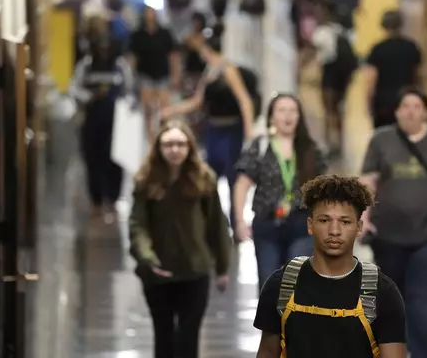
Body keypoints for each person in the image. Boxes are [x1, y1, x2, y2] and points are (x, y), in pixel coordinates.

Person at [360, 87, 427, 358]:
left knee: (420, 296)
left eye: (417, 106)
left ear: (426, 111)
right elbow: (368, 180)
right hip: (389, 234)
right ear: (396, 111)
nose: (410, 112)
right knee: (393, 297)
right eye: (405, 106)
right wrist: (364, 216)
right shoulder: (381, 140)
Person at [254, 174, 407, 358]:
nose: (334, 231)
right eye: (324, 220)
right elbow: (267, 352)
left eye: (345, 222)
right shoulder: (280, 286)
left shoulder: (382, 292)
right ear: (310, 225)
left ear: (359, 227)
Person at [129, 120, 232, 358]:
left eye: (180, 144)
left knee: (188, 336)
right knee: (163, 334)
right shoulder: (146, 181)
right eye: (168, 145)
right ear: (159, 148)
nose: (174, 150)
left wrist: (223, 267)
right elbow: (138, 225)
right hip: (157, 271)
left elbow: (217, 224)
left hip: (194, 271)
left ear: (189, 147)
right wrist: (147, 256)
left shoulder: (204, 179)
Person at [161, 22, 255, 229]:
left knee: (232, 176)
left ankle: (234, 221)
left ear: (207, 49)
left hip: (231, 131)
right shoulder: (210, 71)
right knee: (207, 173)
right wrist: (171, 111)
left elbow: (244, 101)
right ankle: (206, 218)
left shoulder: (227, 69)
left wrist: (249, 134)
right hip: (213, 130)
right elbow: (198, 101)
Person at [234, 93, 327, 289]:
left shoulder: (310, 149)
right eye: (282, 110)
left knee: (297, 282)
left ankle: (295, 319)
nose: (288, 116)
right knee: (270, 284)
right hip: (267, 223)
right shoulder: (260, 146)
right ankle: (273, 320)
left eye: (293, 111)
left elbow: (325, 189)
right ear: (271, 117)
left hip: (302, 223)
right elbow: (242, 184)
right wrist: (240, 221)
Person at [69, 34, 134, 223]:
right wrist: (90, 96)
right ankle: (96, 201)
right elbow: (74, 88)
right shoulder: (86, 65)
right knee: (93, 160)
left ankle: (113, 200)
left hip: (116, 122)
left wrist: (124, 105)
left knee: (115, 160)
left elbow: (129, 90)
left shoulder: (121, 66)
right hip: (92, 121)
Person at [312, 0, 358, 157]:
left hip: (329, 73)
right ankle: (340, 141)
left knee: (327, 109)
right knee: (338, 109)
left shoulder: (322, 32)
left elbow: (317, 53)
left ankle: (327, 143)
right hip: (343, 75)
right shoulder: (343, 30)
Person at [128, 6, 181, 143]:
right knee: (148, 109)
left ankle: (164, 133)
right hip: (145, 74)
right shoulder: (138, 35)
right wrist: (131, 77)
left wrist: (175, 75)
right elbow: (133, 58)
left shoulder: (164, 33)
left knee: (165, 109)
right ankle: (151, 138)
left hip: (162, 74)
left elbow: (173, 55)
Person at [362, 10, 422, 128]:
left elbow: (371, 80)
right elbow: (418, 78)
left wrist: (368, 103)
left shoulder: (378, 49)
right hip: (405, 100)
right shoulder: (412, 47)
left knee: (383, 137)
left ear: (383, 25)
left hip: (383, 102)